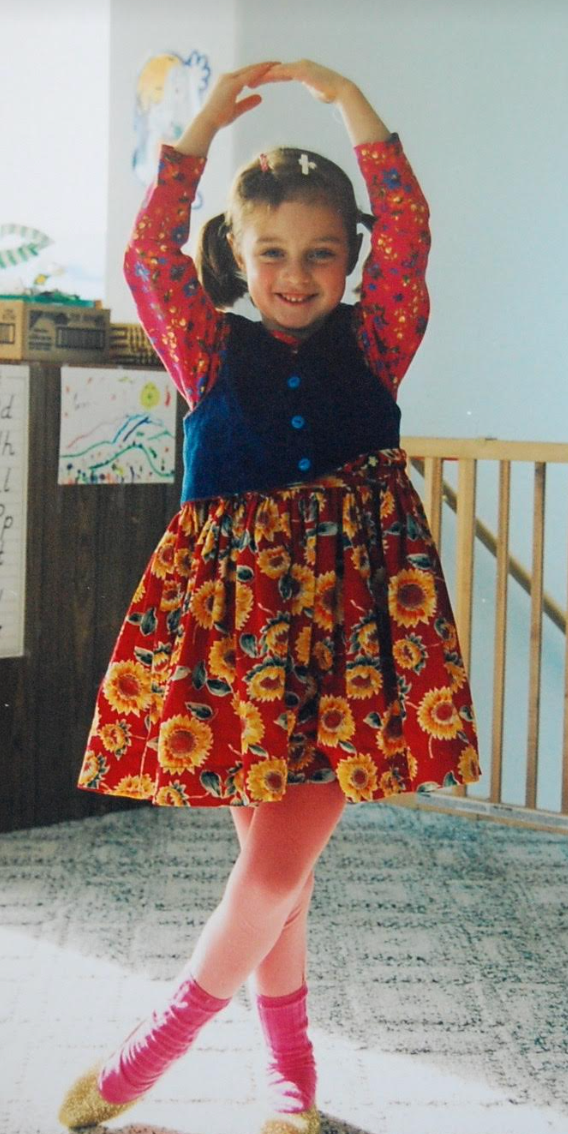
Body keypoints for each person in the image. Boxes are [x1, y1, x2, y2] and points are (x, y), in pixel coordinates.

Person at [59, 59, 481, 1133]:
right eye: (274, 254)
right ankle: (294, 1092)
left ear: (351, 261)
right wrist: (201, 125)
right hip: (235, 631)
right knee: (273, 873)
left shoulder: (378, 341)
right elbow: (146, 250)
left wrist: (355, 109)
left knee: (277, 864)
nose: (297, 274)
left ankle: (144, 1058)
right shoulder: (205, 349)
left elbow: (412, 232)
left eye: (322, 253)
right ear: (238, 259)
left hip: (355, 635)